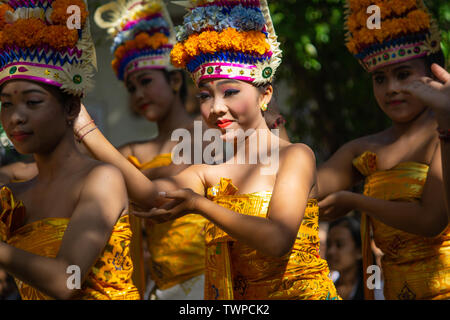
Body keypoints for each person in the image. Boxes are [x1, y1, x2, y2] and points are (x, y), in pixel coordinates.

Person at [74, 0, 340, 300]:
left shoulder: (295, 156)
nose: (215, 108)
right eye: (204, 95)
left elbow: (277, 239)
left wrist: (201, 206)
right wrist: (85, 130)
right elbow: (151, 197)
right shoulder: (207, 174)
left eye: (230, 92)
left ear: (265, 94)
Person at [0, 0, 139, 300]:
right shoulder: (12, 194)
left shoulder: (101, 179)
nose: (15, 117)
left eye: (33, 102)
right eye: (6, 104)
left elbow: (68, 280)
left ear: (71, 108)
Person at [317, 0, 450, 299]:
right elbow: (304, 190)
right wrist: (269, 127)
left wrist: (357, 200)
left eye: (403, 74)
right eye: (380, 79)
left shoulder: (444, 135)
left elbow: (431, 220)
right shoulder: (364, 148)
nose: (390, 88)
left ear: (435, 72)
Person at [94, 0, 209, 299]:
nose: (139, 94)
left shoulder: (213, 130)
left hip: (220, 281)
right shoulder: (133, 153)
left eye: (145, 81)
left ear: (173, 79)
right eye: (132, 88)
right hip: (163, 291)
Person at [326, 216, 364, 300]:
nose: (331, 251)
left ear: (359, 251)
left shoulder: (376, 291)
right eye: (328, 244)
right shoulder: (324, 285)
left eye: (339, 245)